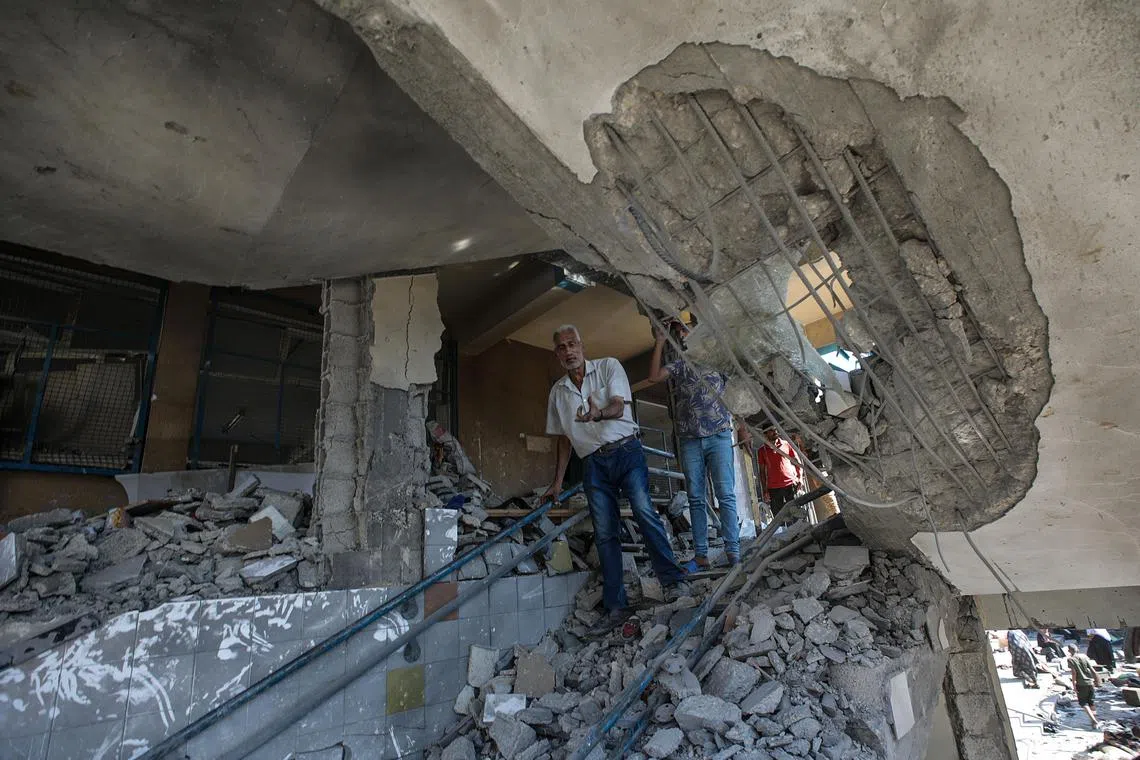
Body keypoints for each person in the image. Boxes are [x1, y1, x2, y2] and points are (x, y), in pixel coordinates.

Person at [542, 325, 689, 629]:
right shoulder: (558, 393)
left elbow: (619, 407)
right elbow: (564, 440)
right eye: (562, 347)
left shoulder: (609, 366)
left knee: (643, 511)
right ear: (557, 353)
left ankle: (673, 581)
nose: (568, 351)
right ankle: (616, 607)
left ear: (582, 345)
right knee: (605, 532)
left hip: (626, 452)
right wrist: (557, 482)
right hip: (593, 464)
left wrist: (597, 414)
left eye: (572, 344)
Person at [647, 318, 740, 568]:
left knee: (726, 495)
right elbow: (654, 376)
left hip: (719, 434)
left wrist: (742, 426)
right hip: (690, 439)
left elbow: (736, 389)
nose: (683, 334)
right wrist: (659, 341)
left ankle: (734, 551)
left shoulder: (717, 359)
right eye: (680, 331)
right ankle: (701, 554)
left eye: (687, 328)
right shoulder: (680, 364)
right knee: (696, 497)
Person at [756, 427, 804, 517]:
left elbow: (797, 462)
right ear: (765, 434)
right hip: (774, 488)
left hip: (790, 484)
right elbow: (761, 472)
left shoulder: (786, 444)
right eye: (771, 430)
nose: (775, 432)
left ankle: (799, 530)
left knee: (796, 514)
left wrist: (800, 478)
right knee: (779, 517)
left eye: (775, 430)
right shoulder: (762, 451)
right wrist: (765, 491)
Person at [1067, 644, 1102, 728]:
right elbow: (1093, 670)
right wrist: (1097, 681)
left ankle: (1094, 721)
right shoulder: (1084, 657)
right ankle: (1094, 720)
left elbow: (1074, 673)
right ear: (1077, 649)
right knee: (1091, 702)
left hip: (1081, 684)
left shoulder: (1070, 660)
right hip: (1090, 682)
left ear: (1069, 651)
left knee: (1083, 703)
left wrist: (1074, 685)